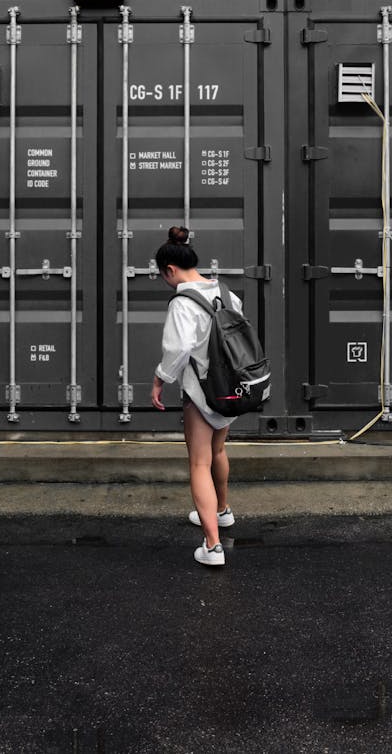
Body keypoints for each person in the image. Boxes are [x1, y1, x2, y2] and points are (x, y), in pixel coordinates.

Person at [150, 226, 242, 567]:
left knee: (199, 462)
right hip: (230, 388)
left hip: (202, 392)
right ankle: (222, 511)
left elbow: (178, 349)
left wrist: (160, 380)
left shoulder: (182, 302)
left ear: (170, 270)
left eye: (163, 277)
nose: (165, 282)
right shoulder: (227, 292)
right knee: (218, 450)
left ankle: (212, 546)